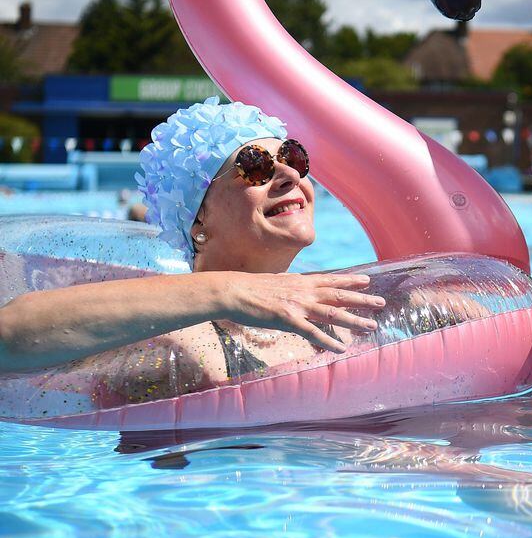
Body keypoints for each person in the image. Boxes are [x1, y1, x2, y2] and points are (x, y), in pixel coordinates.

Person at [0, 98, 386, 398]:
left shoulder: (338, 319)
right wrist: (228, 291)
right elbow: (9, 337)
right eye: (255, 167)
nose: (289, 175)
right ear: (198, 220)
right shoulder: (179, 342)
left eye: (295, 159)